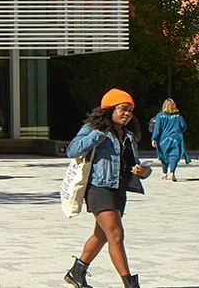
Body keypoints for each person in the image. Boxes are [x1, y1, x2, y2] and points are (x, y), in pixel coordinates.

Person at [62, 88, 151, 288]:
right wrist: (95, 136)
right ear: (109, 109)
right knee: (116, 234)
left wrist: (143, 171)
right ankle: (130, 283)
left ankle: (77, 271)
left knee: (102, 235)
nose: (127, 114)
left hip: (118, 189)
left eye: (130, 110)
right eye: (122, 109)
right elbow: (72, 150)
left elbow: (133, 163)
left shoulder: (128, 135)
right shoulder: (93, 129)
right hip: (98, 188)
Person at [151, 99, 189, 181]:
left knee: (164, 155)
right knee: (173, 155)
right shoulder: (178, 116)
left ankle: (164, 173)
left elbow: (157, 129)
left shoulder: (160, 116)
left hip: (163, 139)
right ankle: (172, 172)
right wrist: (179, 131)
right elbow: (183, 126)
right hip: (176, 137)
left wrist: (154, 138)